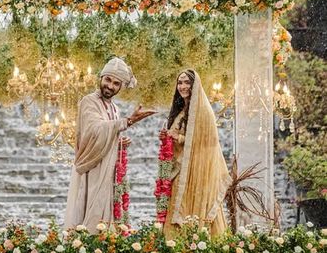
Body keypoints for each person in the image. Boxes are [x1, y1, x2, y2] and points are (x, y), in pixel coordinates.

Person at [64, 57, 155, 233]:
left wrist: (118, 143)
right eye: (108, 80)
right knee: (91, 214)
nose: (110, 86)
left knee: (105, 219)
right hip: (92, 168)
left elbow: (107, 134)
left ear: (120, 87)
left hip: (108, 170)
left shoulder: (114, 108)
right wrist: (128, 121)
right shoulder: (89, 101)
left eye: (116, 83)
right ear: (101, 77)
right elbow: (94, 130)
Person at [159, 69, 231, 237]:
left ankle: (196, 250)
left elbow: (209, 141)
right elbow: (178, 140)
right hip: (180, 169)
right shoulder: (182, 110)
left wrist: (180, 138)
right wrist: (168, 138)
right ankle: (174, 252)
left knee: (192, 212)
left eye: (186, 83)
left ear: (194, 85)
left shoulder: (203, 111)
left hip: (196, 171)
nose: (182, 86)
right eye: (180, 82)